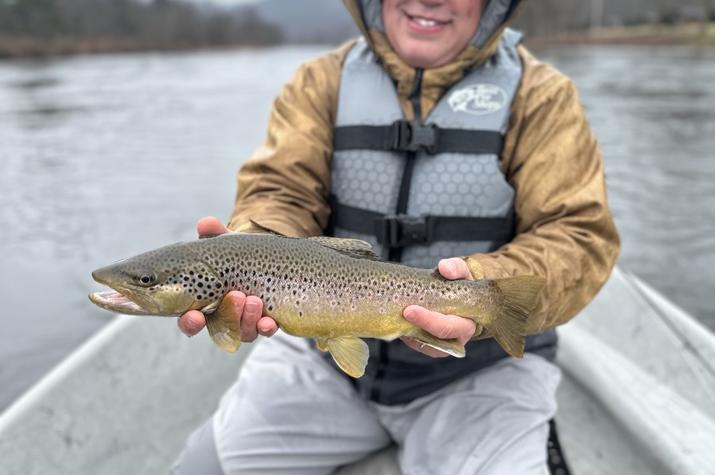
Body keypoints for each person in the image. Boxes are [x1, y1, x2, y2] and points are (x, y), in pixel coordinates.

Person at [172, 0, 620, 473]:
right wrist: (254, 245)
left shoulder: (543, 96)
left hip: (481, 371)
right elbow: (281, 191)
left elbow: (578, 235)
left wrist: (481, 292)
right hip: (322, 363)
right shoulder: (318, 82)